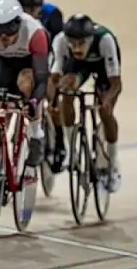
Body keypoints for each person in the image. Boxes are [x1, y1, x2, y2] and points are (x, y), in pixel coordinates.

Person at [0, 0, 49, 167]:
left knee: (27, 82)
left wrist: (34, 102)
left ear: (18, 25)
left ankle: (36, 133)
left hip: (29, 64)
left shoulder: (35, 33)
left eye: (9, 33)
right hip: (5, 66)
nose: (4, 38)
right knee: (0, 113)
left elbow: (42, 79)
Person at [47, 14, 122, 191]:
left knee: (105, 112)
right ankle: (72, 151)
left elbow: (116, 84)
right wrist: (52, 102)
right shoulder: (60, 41)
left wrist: (107, 102)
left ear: (89, 39)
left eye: (81, 43)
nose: (76, 47)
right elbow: (54, 77)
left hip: (103, 66)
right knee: (66, 90)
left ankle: (112, 162)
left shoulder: (105, 40)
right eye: (72, 43)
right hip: (77, 67)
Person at [16, 0, 66, 167]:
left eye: (32, 10)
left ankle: (60, 141)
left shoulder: (53, 15)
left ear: (40, 8)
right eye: (25, 10)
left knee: (52, 94)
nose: (29, 14)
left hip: (51, 54)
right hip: (29, 53)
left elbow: (60, 48)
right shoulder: (16, 17)